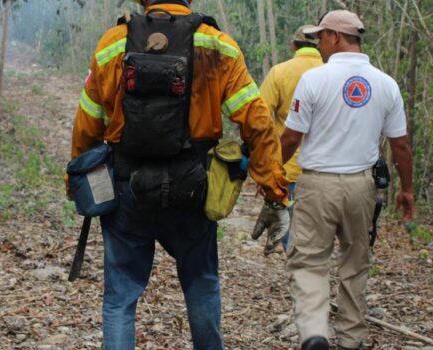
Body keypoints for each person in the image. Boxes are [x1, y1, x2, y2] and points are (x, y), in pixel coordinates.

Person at [69, 0, 290, 348]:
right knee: (201, 284)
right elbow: (257, 123)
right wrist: (274, 192)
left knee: (120, 298)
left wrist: (76, 182)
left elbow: (87, 123)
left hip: (128, 186)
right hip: (193, 186)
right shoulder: (217, 44)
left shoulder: (112, 43)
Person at [280, 10, 415, 350]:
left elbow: (290, 139)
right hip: (362, 186)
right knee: (356, 262)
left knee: (310, 261)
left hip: (317, 185)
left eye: (321, 37)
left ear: (336, 37)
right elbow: (400, 144)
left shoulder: (314, 80)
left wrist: (272, 174)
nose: (318, 44)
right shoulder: (386, 84)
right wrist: (407, 190)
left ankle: (314, 333)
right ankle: (351, 340)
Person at [260, 25, 323, 252]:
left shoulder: (280, 72)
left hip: (289, 168)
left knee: (292, 235)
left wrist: (263, 165)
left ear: (293, 45)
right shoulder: (332, 72)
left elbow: (261, 119)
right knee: (319, 235)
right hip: (326, 170)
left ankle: (301, 278)